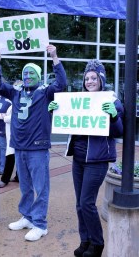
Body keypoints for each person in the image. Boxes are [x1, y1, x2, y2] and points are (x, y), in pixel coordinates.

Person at [48, 60, 124, 257]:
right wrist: (55, 111)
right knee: (79, 204)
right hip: (79, 159)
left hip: (97, 161)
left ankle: (97, 244)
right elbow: (65, 122)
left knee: (87, 203)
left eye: (94, 77)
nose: (90, 81)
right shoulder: (78, 100)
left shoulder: (112, 101)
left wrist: (114, 116)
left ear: (101, 79)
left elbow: (118, 131)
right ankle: (85, 240)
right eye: (87, 78)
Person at [0, 44, 66, 241]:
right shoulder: (16, 92)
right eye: (25, 73)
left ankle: (40, 224)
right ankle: (27, 216)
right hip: (20, 146)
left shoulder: (44, 92)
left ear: (39, 76)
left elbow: (61, 84)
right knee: (25, 186)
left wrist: (54, 57)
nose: (27, 76)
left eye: (31, 73)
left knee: (41, 187)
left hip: (38, 148)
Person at [0, 104, 19, 188]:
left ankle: (5, 179)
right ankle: (18, 177)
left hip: (16, 136)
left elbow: (14, 118)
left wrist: (4, 117)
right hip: (11, 135)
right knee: (15, 157)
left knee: (10, 157)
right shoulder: (12, 103)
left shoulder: (18, 103)